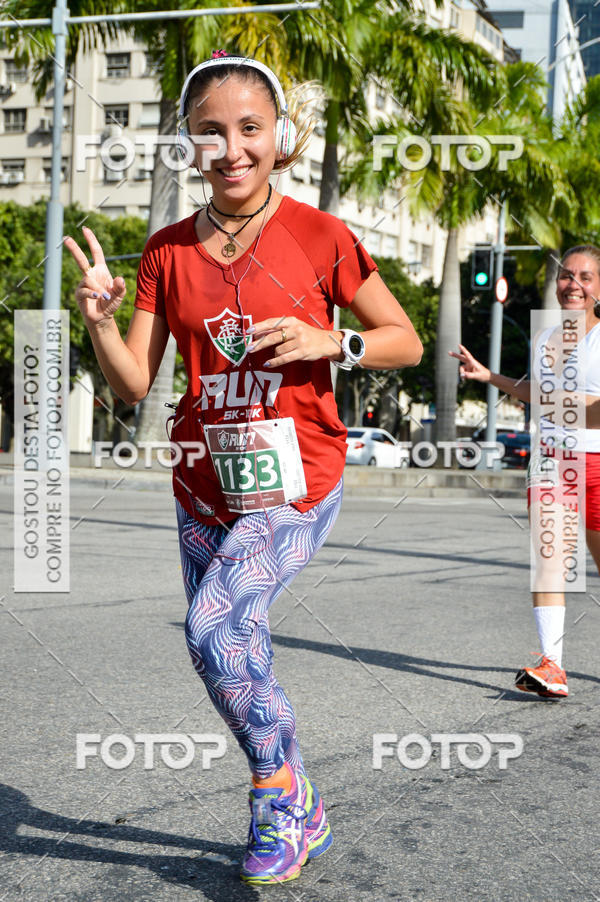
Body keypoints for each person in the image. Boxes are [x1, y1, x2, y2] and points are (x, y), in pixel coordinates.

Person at [65, 53, 422, 885]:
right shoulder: (165, 253)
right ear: (189, 144)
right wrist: (98, 322)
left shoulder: (321, 235)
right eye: (210, 133)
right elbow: (132, 383)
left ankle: (273, 799)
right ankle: (301, 794)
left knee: (213, 628)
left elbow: (402, 338)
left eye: (249, 129)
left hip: (299, 478)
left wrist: (337, 340)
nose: (231, 149)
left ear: (279, 138)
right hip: (204, 480)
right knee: (231, 648)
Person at [450, 245, 600, 700]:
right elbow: (536, 391)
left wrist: (553, 404)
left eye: (585, 277)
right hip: (552, 461)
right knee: (549, 560)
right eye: (566, 275)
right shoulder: (545, 338)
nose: (573, 284)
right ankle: (552, 664)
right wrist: (490, 376)